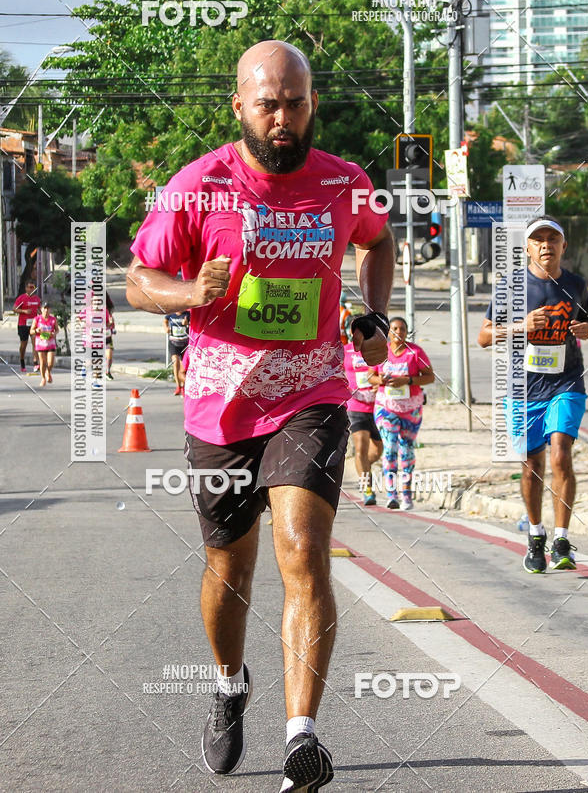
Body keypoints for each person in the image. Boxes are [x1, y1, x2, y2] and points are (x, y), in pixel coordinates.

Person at [126, 40, 394, 792]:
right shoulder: (198, 185)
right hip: (222, 406)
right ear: (239, 106)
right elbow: (139, 277)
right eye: (268, 104)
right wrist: (188, 294)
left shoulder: (345, 182)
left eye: (296, 104)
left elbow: (379, 240)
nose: (283, 119)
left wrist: (373, 313)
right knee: (230, 568)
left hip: (312, 393)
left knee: (303, 551)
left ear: (314, 104)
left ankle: (301, 737)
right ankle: (228, 682)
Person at [478, 216, 588, 573]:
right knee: (532, 467)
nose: (546, 245)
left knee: (560, 453)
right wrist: (521, 326)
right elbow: (484, 336)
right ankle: (535, 534)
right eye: (538, 239)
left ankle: (561, 540)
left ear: (563, 246)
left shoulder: (575, 284)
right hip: (523, 388)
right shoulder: (511, 286)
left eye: (552, 239)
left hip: (566, 381)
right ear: (528, 247)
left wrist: (586, 329)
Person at [369, 317, 434, 510]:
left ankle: (406, 494)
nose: (399, 332)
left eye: (402, 329)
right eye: (395, 328)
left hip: (411, 408)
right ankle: (392, 495)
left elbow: (429, 377)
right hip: (386, 407)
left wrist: (407, 380)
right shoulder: (380, 351)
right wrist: (379, 380)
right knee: (390, 448)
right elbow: (370, 376)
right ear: (389, 332)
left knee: (406, 450)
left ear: (407, 332)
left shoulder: (415, 352)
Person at [343, 333, 382, 505]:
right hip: (355, 406)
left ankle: (363, 468)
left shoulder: (378, 350)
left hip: (379, 406)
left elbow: (385, 372)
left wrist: (380, 383)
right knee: (361, 448)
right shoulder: (344, 351)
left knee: (378, 450)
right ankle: (367, 489)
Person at [13, 280, 41, 373]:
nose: (31, 289)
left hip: (33, 324)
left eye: (33, 287)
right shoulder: (21, 298)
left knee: (35, 342)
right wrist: (24, 311)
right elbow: (14, 309)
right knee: (23, 344)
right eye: (29, 287)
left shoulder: (37, 299)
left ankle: (35, 363)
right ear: (26, 288)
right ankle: (22, 361)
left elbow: (39, 309)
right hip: (23, 324)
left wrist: (42, 315)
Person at [30, 302, 58, 387]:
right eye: (44, 308)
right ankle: (43, 378)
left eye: (48, 308)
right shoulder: (37, 319)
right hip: (40, 343)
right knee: (42, 362)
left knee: (50, 363)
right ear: (41, 309)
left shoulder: (53, 319)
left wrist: (54, 333)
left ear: (50, 310)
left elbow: (57, 330)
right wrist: (36, 330)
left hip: (50, 343)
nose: (46, 310)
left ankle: (48, 371)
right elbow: (31, 331)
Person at [163, 310, 190, 396]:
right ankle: (178, 386)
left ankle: (183, 386)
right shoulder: (171, 314)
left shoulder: (187, 314)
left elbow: (193, 325)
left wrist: (187, 323)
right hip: (173, 343)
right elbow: (165, 320)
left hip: (185, 343)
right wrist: (166, 327)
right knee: (175, 363)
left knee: (183, 367)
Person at [105, 293, 116, 379]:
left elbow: (111, 324)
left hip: (107, 336)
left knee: (109, 353)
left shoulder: (107, 311)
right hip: (94, 337)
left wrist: (112, 326)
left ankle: (107, 371)